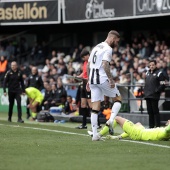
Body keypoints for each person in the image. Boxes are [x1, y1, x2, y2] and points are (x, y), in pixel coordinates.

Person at [86, 30, 122, 141]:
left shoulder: (96, 47)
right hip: (102, 78)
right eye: (116, 41)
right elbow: (105, 64)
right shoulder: (108, 49)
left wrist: (88, 80)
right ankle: (111, 120)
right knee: (118, 99)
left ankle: (95, 135)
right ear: (111, 39)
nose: (116, 43)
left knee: (95, 107)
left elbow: (88, 64)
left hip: (92, 79)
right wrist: (111, 80)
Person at [144, 60, 166, 128]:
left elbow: (162, 84)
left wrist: (156, 91)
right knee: (150, 112)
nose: (151, 66)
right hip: (147, 95)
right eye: (150, 65)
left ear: (156, 65)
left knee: (155, 112)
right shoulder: (147, 73)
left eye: (153, 65)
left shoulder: (159, 73)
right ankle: (151, 127)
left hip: (154, 96)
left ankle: (157, 126)